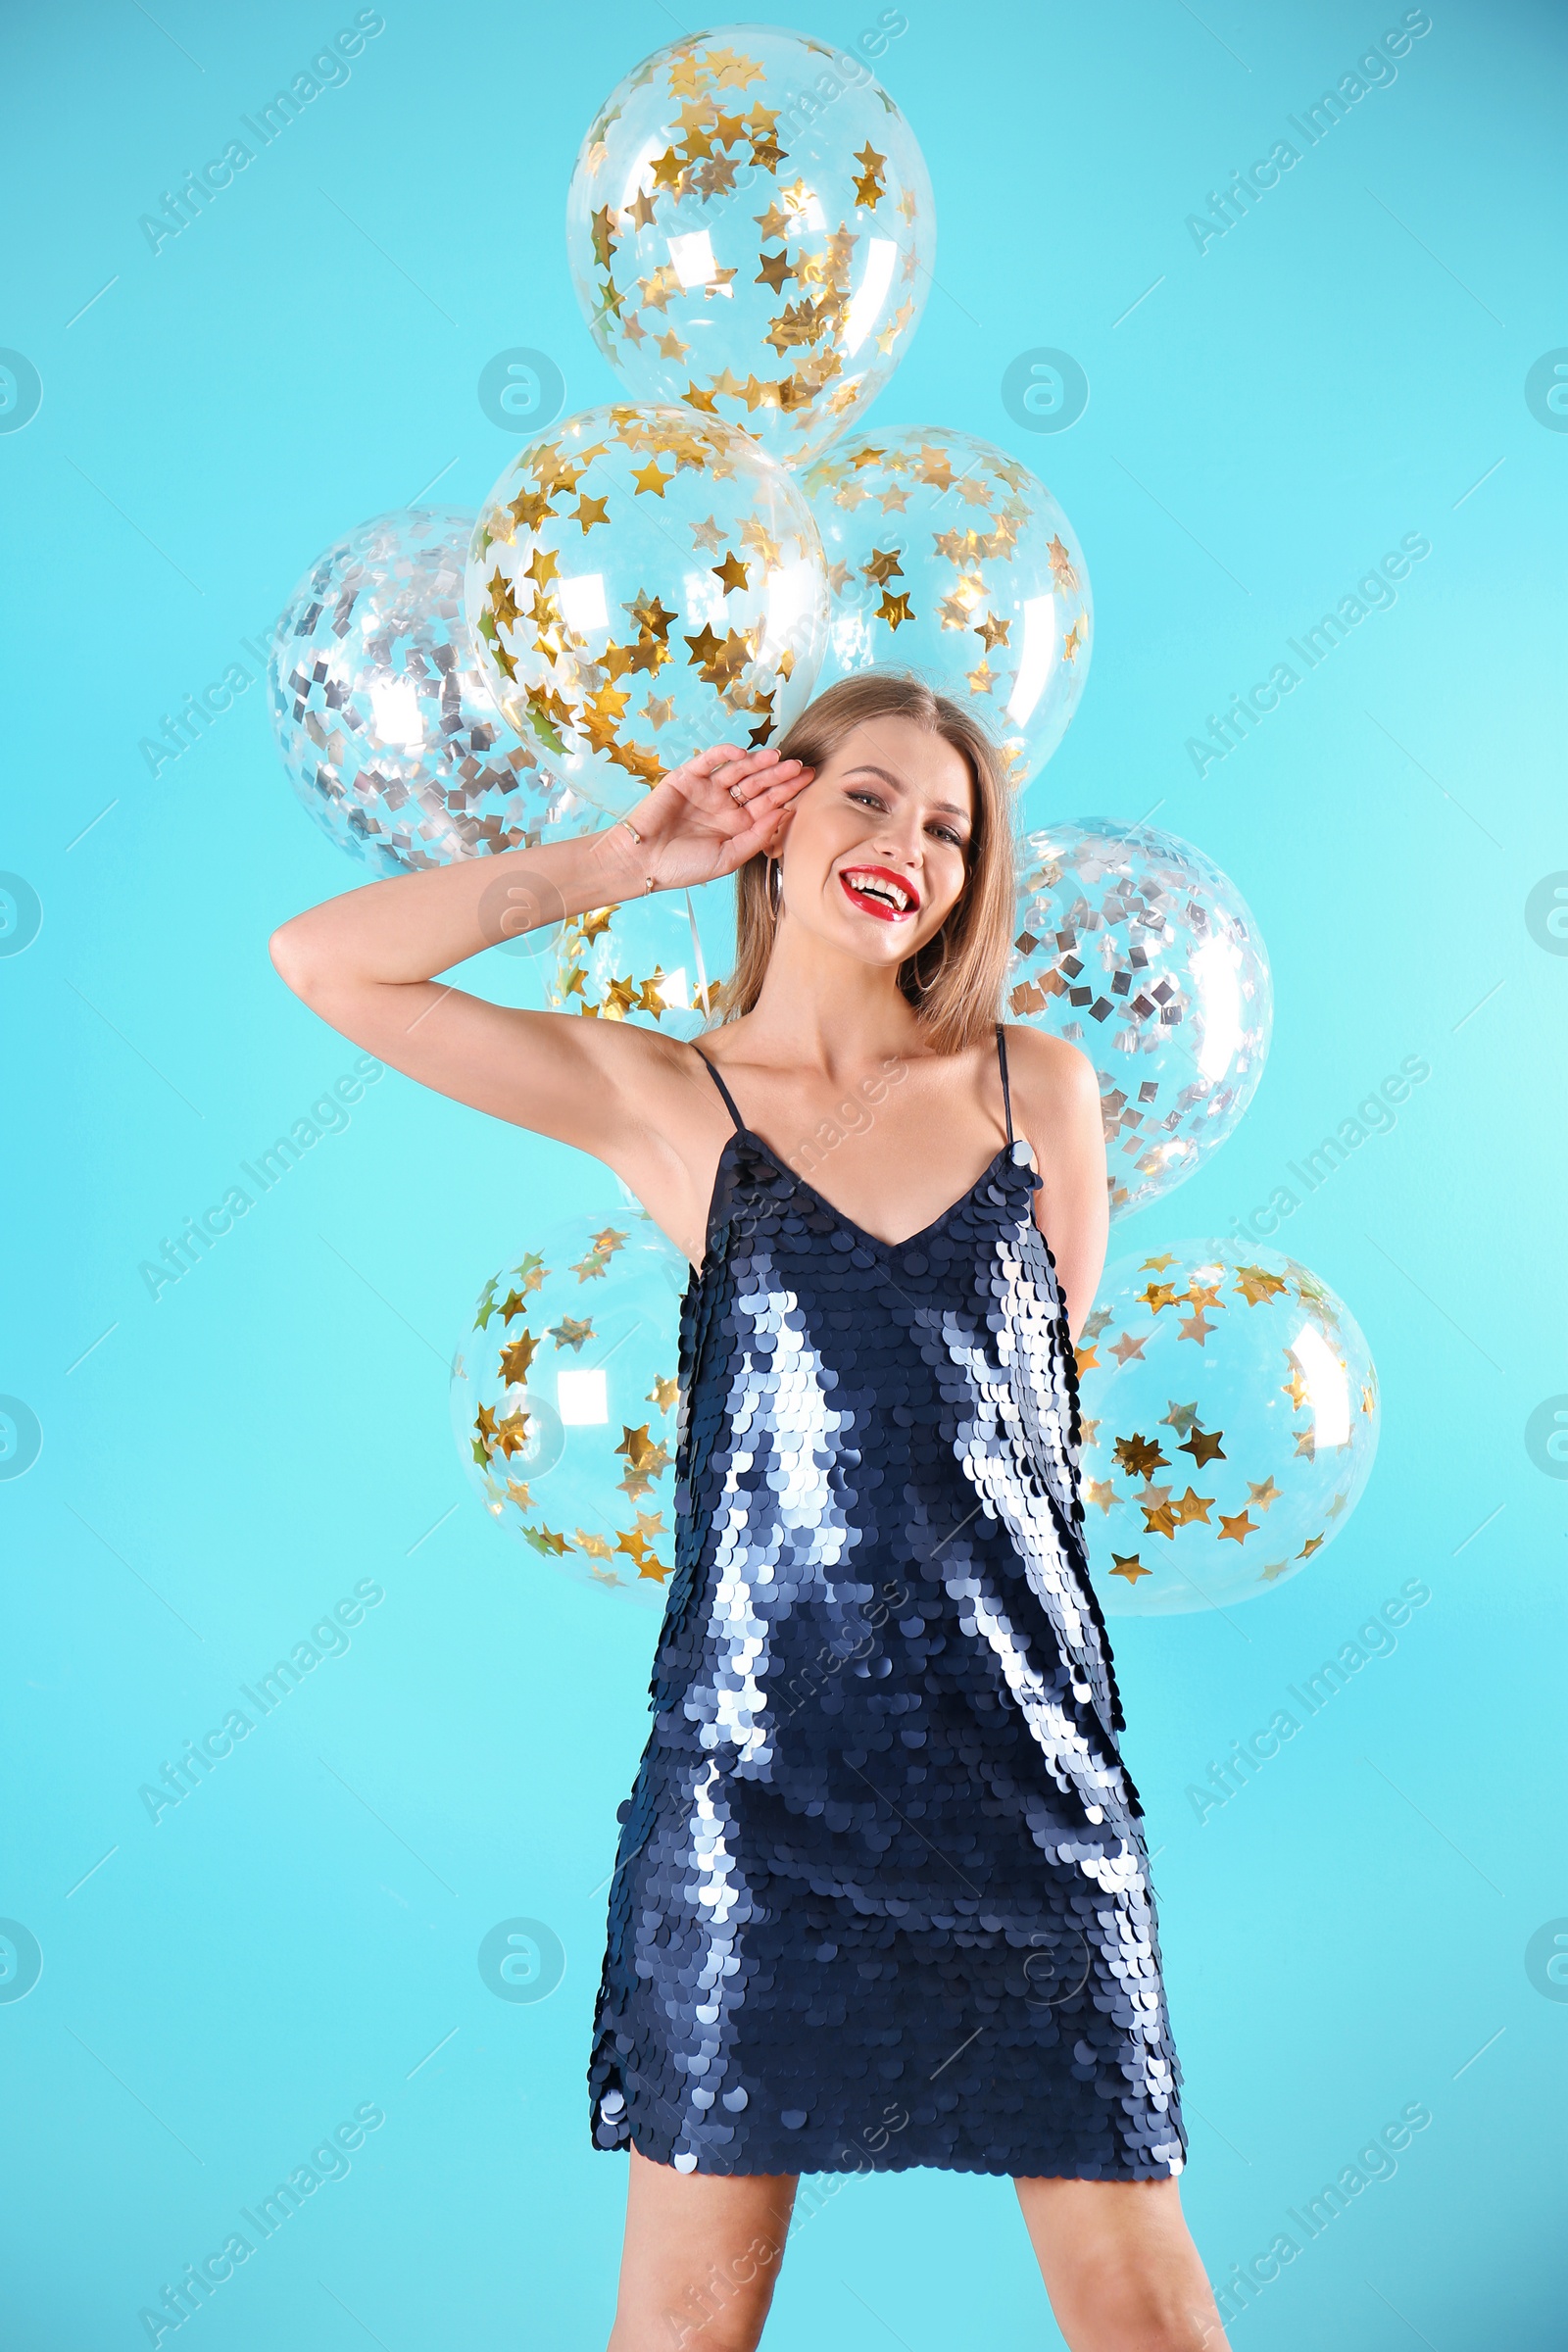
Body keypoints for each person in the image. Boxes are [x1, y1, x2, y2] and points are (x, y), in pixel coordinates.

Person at [270, 672, 1228, 2352]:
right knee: (687, 2335)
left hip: (1028, 1798)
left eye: (949, 827)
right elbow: (327, 960)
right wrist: (621, 862)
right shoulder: (669, 1102)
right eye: (866, 797)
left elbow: (1028, 1463)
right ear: (777, 817)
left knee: (1146, 2313)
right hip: (758, 1807)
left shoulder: (1041, 1092)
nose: (908, 845)